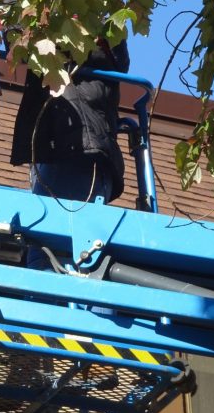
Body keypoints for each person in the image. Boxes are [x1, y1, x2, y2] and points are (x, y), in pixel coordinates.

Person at [10, 39, 130, 267]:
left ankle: (50, 298)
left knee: (53, 249)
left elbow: (23, 44)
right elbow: (18, 42)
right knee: (46, 245)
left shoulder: (96, 44)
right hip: (63, 151)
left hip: (78, 152)